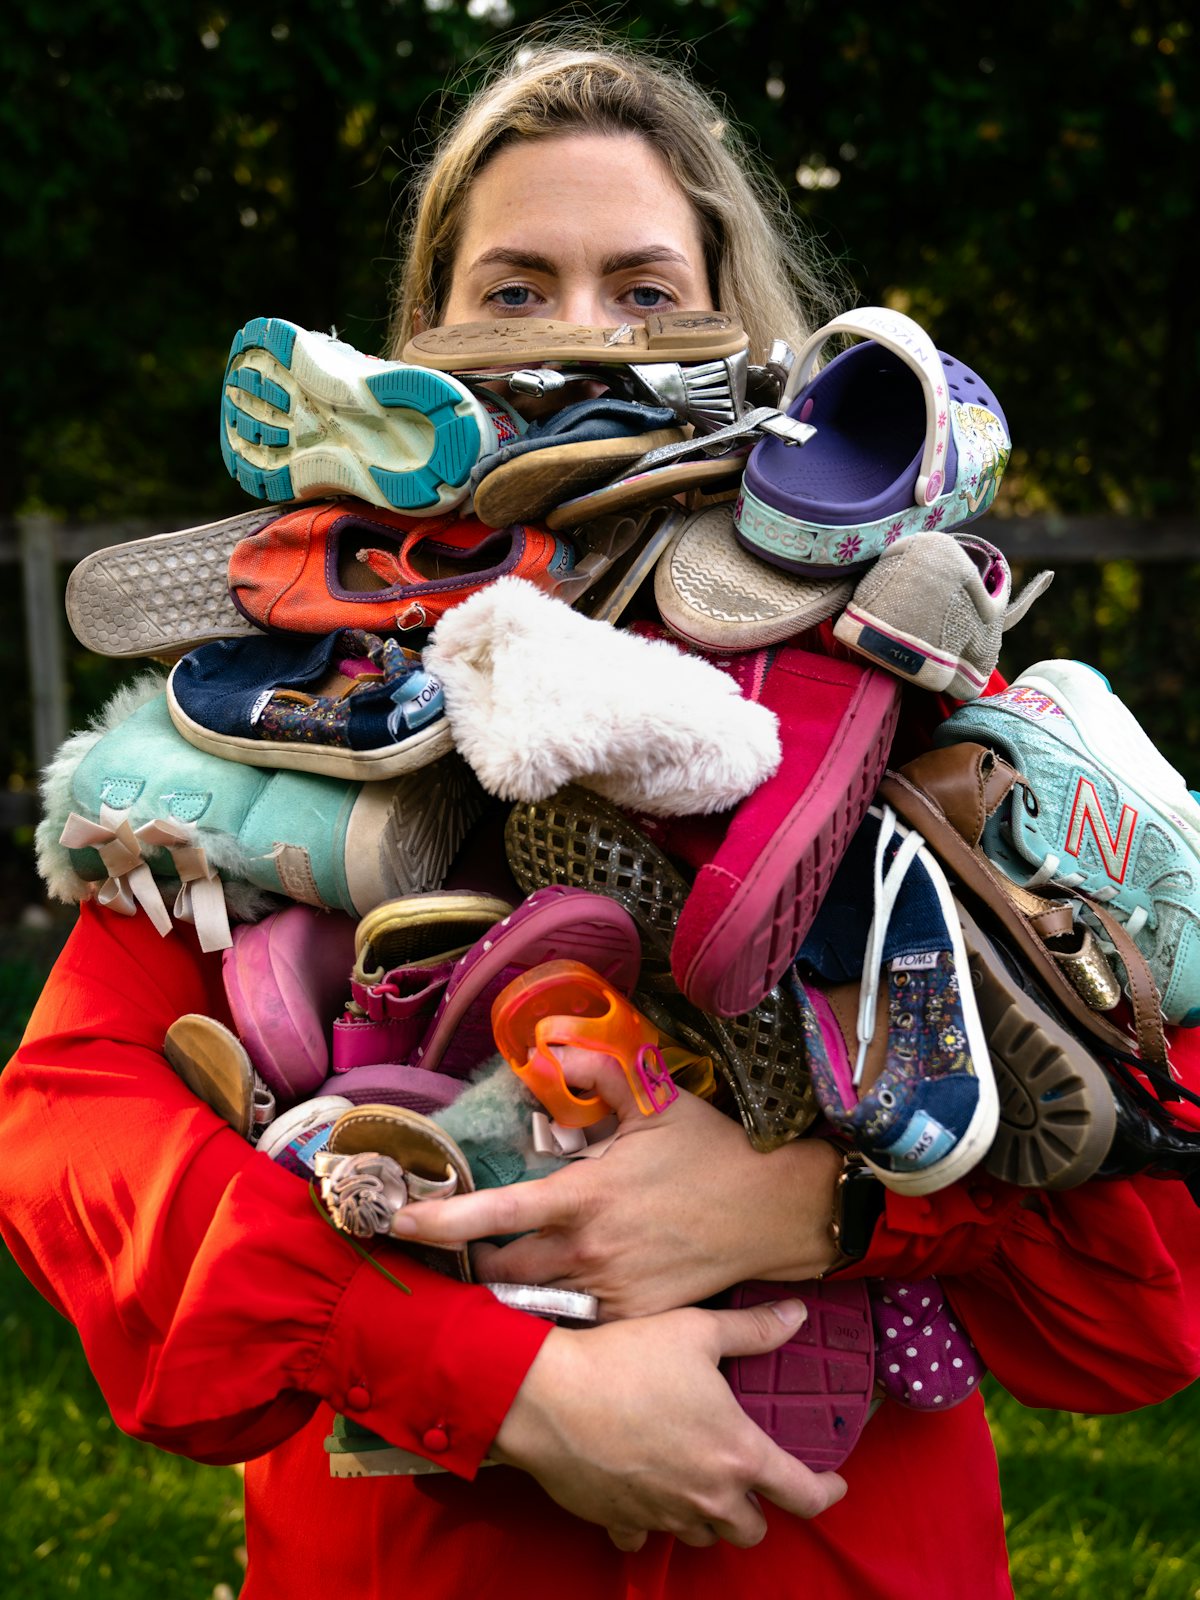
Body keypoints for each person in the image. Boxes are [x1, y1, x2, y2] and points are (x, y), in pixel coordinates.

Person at [3, 36, 1200, 1600]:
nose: (579, 334)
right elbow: (69, 1133)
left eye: (644, 288)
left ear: (748, 337)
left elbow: (1154, 1262)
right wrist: (495, 1381)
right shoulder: (273, 719)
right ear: (414, 354)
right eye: (513, 289)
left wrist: (834, 1203)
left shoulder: (934, 714)